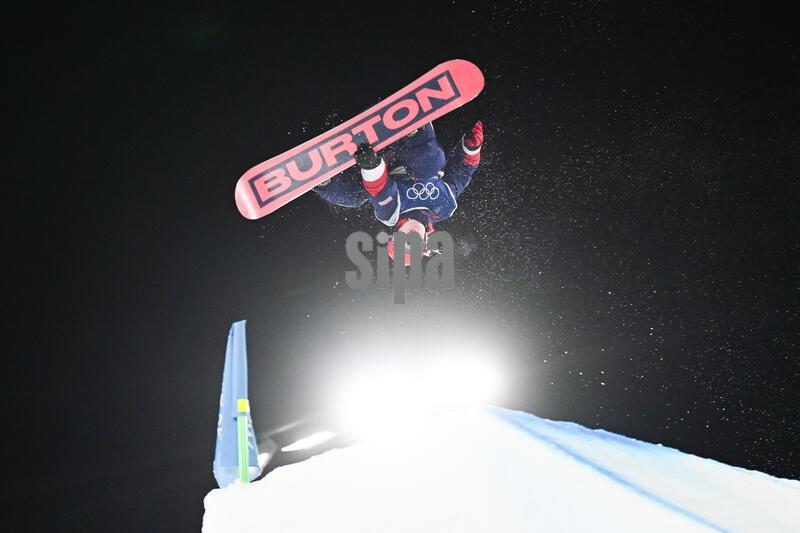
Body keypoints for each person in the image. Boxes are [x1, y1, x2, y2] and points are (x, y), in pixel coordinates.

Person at [314, 121, 484, 264]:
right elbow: (461, 173)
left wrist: (371, 166)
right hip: (412, 149)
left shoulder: (391, 213)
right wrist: (471, 149)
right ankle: (412, 132)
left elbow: (380, 189)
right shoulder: (444, 206)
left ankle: (323, 178)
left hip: (379, 158)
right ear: (425, 241)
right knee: (431, 166)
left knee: (353, 198)